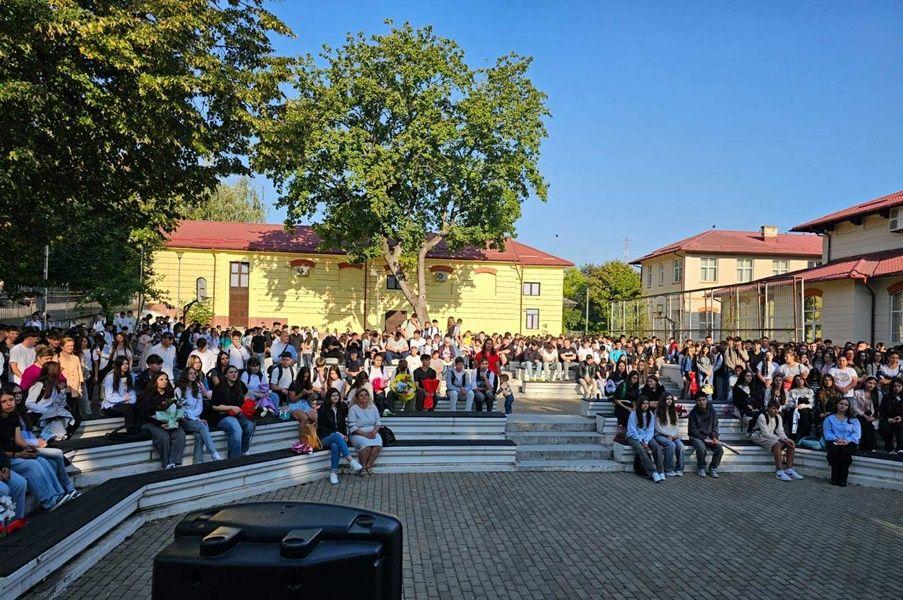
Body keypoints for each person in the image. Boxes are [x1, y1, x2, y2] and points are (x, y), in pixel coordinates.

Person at [137, 371, 186, 469]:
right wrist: (160, 424)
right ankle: (166, 463)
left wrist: (176, 420)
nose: (165, 381)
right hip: (152, 422)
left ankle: (174, 462)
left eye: (166, 379)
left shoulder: (170, 394)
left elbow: (177, 408)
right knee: (163, 437)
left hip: (169, 421)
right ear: (155, 381)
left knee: (180, 434)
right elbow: (146, 414)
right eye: (161, 379)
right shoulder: (148, 395)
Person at [317, 388, 364, 484]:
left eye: (337, 395)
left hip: (337, 438)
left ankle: (333, 474)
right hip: (324, 438)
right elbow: (321, 428)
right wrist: (338, 434)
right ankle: (351, 461)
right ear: (329, 397)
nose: (336, 397)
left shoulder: (341, 408)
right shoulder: (323, 409)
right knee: (336, 436)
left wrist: (344, 435)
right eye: (333, 396)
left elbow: (342, 425)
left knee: (335, 446)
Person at [175, 367, 222, 464]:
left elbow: (199, 406)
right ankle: (213, 452)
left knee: (199, 435)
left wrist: (196, 418)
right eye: (190, 373)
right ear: (185, 375)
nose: (193, 375)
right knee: (202, 425)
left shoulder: (197, 388)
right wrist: (195, 419)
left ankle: (198, 461)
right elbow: (180, 409)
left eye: (194, 373)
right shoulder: (179, 390)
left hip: (195, 418)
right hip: (183, 419)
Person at [750, 400, 802, 482]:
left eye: (777, 409)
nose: (776, 411)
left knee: (791, 443)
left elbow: (780, 432)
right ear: (768, 408)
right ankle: (779, 471)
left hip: (770, 437)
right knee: (777, 444)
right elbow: (765, 433)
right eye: (773, 408)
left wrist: (786, 439)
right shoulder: (762, 416)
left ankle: (789, 469)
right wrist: (780, 440)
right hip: (758, 436)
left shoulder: (778, 417)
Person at [210, 366, 255, 458]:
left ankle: (243, 451)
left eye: (235, 372)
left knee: (249, 425)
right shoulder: (220, 387)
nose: (234, 374)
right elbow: (214, 407)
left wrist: (250, 403)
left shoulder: (240, 384)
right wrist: (231, 407)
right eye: (231, 372)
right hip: (222, 415)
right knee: (236, 429)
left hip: (237, 414)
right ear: (226, 375)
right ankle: (234, 459)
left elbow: (245, 396)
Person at [25, 362, 75, 441]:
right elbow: (29, 403)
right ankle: (48, 437)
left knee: (74, 417)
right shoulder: (40, 384)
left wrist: (62, 391)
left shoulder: (54, 386)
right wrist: (46, 411)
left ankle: (57, 435)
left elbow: (60, 403)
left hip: (50, 412)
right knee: (56, 419)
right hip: (36, 413)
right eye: (58, 370)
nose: (60, 373)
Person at [823, 397, 862, 486]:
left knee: (845, 452)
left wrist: (847, 441)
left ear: (848, 407)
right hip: (833, 441)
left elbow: (856, 434)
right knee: (835, 451)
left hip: (849, 442)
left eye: (846, 405)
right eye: (841, 403)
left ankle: (843, 479)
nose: (843, 406)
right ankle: (834, 478)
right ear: (837, 405)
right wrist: (836, 439)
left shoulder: (853, 420)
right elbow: (827, 432)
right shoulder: (829, 419)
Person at [626, 397, 664, 482]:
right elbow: (632, 430)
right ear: (640, 404)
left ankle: (660, 471)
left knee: (656, 447)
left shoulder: (650, 414)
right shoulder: (633, 414)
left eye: (647, 404)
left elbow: (650, 429)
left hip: (646, 436)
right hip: (633, 436)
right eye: (644, 403)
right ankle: (652, 472)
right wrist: (641, 441)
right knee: (642, 450)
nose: (646, 405)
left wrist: (646, 441)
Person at [687, 393, 723, 478]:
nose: (702, 402)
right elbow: (693, 430)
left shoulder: (712, 411)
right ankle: (701, 467)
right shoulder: (693, 413)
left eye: (703, 400)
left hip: (709, 436)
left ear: (707, 400)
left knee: (719, 449)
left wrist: (714, 437)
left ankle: (713, 468)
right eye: (699, 400)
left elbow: (715, 426)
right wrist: (704, 439)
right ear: (696, 402)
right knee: (701, 447)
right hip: (696, 437)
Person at [347, 387, 383, 475]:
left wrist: (374, 432)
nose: (364, 397)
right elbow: (352, 427)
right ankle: (362, 467)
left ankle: (368, 465)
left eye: (366, 395)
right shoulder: (353, 409)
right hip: (358, 433)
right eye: (361, 396)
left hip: (372, 432)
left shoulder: (373, 407)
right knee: (366, 446)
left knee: (377, 445)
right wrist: (366, 435)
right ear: (357, 398)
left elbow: (378, 422)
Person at [101, 356, 139, 432]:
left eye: (127, 364)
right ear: (118, 365)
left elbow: (132, 393)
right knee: (129, 409)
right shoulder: (110, 377)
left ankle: (137, 430)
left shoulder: (130, 376)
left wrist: (130, 401)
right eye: (123, 364)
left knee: (136, 407)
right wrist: (123, 399)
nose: (125, 366)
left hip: (126, 405)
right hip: (110, 406)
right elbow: (109, 397)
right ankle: (130, 432)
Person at [654, 394, 684, 477]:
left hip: (672, 435)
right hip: (660, 435)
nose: (669, 401)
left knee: (680, 445)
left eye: (671, 399)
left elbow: (676, 425)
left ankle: (679, 469)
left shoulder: (673, 411)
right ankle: (668, 469)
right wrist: (668, 435)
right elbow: (658, 427)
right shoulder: (658, 411)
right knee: (671, 445)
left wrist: (673, 435)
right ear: (663, 400)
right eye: (667, 399)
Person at [852, 376, 881, 452]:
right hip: (860, 414)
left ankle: (867, 448)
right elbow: (855, 407)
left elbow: (880, 407)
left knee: (869, 425)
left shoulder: (878, 394)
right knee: (865, 423)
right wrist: (865, 416)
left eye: (874, 384)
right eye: (870, 383)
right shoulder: (857, 392)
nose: (871, 385)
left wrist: (874, 417)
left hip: (873, 415)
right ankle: (872, 447)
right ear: (865, 382)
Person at [878, 377, 903, 454]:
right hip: (888, 418)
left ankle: (900, 448)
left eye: (899, 386)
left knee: (900, 425)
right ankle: (889, 448)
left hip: (900, 418)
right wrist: (888, 419)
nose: (897, 388)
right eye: (895, 386)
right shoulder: (887, 397)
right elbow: (882, 410)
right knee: (884, 426)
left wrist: (901, 417)